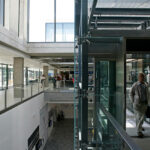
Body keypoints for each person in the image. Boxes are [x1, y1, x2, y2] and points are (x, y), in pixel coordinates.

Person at [130, 73, 149, 138]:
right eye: (141, 77)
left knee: (141, 117)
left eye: (143, 77)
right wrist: (133, 101)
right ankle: (139, 131)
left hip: (144, 103)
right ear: (138, 78)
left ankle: (139, 127)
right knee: (140, 117)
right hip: (137, 104)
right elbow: (131, 93)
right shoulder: (135, 85)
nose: (142, 78)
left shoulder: (146, 85)